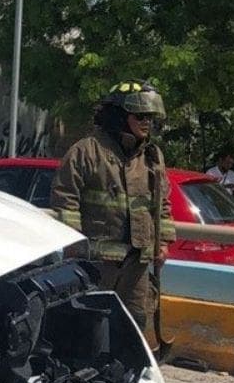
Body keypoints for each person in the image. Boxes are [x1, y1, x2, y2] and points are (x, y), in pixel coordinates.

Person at [51, 80, 176, 329]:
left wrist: (162, 243)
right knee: (91, 324)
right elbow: (65, 201)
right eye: (139, 116)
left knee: (135, 323)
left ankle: (128, 369)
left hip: (137, 263)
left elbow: (161, 202)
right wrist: (75, 246)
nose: (146, 122)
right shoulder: (86, 152)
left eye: (150, 117)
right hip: (96, 262)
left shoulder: (152, 156)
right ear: (119, 116)